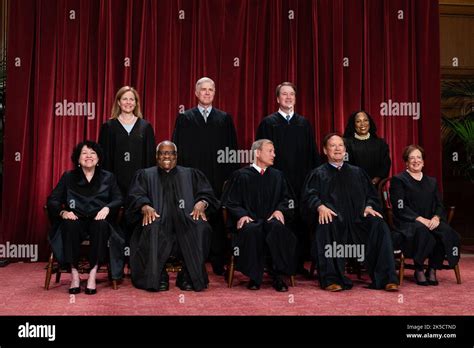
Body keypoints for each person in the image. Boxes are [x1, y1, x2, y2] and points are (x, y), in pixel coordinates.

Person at [301, 133, 399, 292]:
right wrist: (320, 206)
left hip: (358, 221)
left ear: (345, 149)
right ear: (325, 151)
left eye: (340, 145)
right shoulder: (317, 174)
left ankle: (386, 279)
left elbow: (371, 196)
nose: (337, 149)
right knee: (326, 224)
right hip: (334, 223)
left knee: (379, 225)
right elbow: (308, 197)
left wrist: (369, 206)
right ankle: (331, 279)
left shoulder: (358, 172)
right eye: (333, 146)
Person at [125, 141, 219, 292]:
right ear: (157, 156)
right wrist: (144, 206)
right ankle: (157, 276)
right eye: (163, 153)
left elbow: (208, 194)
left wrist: (202, 203)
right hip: (159, 222)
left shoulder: (191, 174)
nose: (166, 156)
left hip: (186, 221)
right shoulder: (145, 175)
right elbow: (135, 196)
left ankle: (189, 275)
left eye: (170, 153)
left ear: (176, 156)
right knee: (152, 226)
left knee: (202, 227)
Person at [172, 77, 238, 275]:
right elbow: (178, 151)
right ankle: (192, 261)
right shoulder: (185, 118)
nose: (207, 93)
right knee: (192, 217)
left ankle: (218, 262)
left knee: (217, 219)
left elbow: (231, 151)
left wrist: (230, 178)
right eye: (203, 90)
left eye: (211, 90)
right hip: (192, 179)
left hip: (218, 178)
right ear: (196, 93)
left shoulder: (224, 119)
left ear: (214, 93)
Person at [256, 82, 320, 275]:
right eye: (284, 94)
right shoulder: (268, 123)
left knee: (299, 222)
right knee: (280, 220)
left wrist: (313, 181)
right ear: (277, 99)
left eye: (292, 94)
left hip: (301, 181)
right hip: (277, 182)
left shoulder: (304, 123)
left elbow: (312, 154)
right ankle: (277, 265)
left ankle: (297, 264)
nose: (288, 97)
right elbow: (261, 155)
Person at [47, 141, 124, 295]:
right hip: (76, 219)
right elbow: (53, 200)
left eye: (93, 153)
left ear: (99, 158)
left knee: (101, 225)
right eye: (84, 153)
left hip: (98, 219)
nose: (89, 156)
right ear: (78, 158)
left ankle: (92, 274)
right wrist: (63, 213)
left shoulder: (108, 177)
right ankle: (74, 275)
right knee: (69, 225)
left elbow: (119, 199)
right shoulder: (68, 177)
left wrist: (107, 207)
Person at [222, 139, 297, 292]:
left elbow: (288, 199)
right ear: (257, 153)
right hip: (251, 220)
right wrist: (241, 214)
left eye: (274, 151)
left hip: (271, 220)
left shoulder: (278, 176)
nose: (274, 155)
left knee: (277, 229)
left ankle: (278, 276)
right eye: (270, 151)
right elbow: (230, 202)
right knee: (251, 230)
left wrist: (280, 210)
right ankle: (254, 277)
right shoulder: (240, 175)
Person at [389, 145, 460, 286]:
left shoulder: (431, 181)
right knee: (422, 230)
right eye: (412, 158)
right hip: (408, 221)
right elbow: (400, 206)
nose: (416, 161)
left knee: (445, 231)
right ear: (406, 162)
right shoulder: (399, 180)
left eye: (419, 157)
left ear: (423, 161)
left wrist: (436, 218)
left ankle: (432, 268)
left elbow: (439, 204)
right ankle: (419, 268)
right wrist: (421, 219)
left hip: (430, 220)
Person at [98, 86, 156, 197]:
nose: (128, 102)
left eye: (131, 99)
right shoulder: (108, 127)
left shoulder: (145, 127)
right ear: (118, 102)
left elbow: (150, 158)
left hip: (140, 185)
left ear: (136, 103)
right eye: (124, 99)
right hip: (114, 184)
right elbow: (103, 159)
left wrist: (147, 183)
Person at [343, 110, 391, 186]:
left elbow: (385, 164)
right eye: (358, 121)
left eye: (365, 120)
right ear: (353, 124)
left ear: (370, 122)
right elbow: (346, 165)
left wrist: (375, 180)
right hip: (354, 185)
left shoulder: (380, 143)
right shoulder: (346, 143)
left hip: (375, 186)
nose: (363, 124)